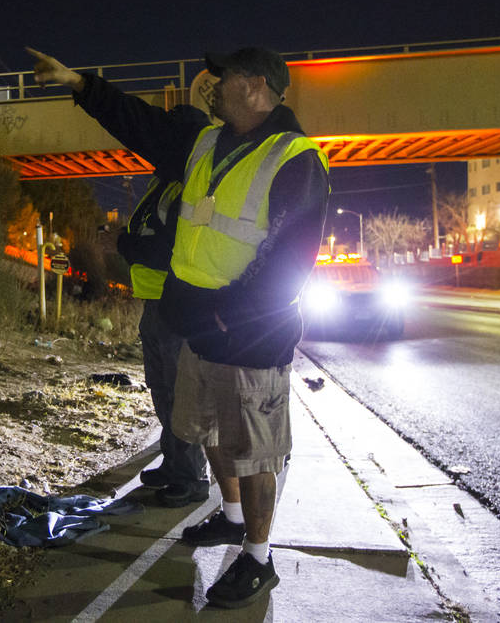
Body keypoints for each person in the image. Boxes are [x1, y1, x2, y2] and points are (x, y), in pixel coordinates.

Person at [28, 46, 329, 609]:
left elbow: (291, 258)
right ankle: (232, 518)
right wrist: (80, 83)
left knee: (255, 454)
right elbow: (140, 124)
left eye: (225, 76)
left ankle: (258, 560)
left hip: (252, 336)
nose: (212, 85)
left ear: (257, 85)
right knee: (210, 433)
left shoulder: (295, 157)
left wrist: (225, 314)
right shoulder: (207, 143)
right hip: (200, 328)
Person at [117, 170, 210, 507]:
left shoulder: (184, 187)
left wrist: (124, 244)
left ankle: (192, 478)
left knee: (181, 395)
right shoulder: (162, 185)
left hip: (175, 303)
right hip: (154, 301)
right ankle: (173, 466)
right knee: (160, 389)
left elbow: (167, 247)